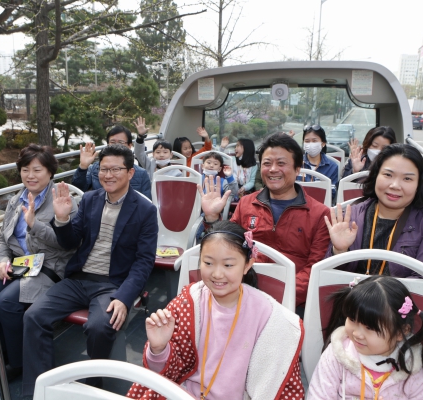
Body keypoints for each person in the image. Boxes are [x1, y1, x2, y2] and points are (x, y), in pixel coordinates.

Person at [21, 145, 158, 396]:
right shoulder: (90, 199)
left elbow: (143, 261)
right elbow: (71, 242)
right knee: (33, 316)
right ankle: (39, 389)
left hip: (113, 283)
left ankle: (93, 388)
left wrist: (124, 298)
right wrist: (62, 220)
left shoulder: (145, 210)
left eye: (116, 169)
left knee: (99, 326)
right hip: (79, 278)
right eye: (103, 169)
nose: (108, 175)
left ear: (130, 173)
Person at [127, 221, 304, 400]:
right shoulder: (189, 303)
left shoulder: (269, 316)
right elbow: (168, 373)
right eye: (208, 263)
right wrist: (159, 349)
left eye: (228, 265)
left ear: (247, 265)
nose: (217, 274)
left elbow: (281, 382)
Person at [0, 144, 77, 380]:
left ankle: (18, 364)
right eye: (25, 169)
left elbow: (66, 244)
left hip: (49, 266)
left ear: (50, 172)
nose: (30, 176)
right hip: (20, 264)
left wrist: (33, 224)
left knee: (7, 302)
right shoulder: (16, 200)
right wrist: (1, 260)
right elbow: (4, 237)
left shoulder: (63, 200)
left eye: (37, 170)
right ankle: (0, 354)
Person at [199, 133, 331, 310]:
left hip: (290, 301)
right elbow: (225, 248)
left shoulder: (319, 214)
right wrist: (212, 218)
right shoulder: (246, 204)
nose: (273, 169)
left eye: (281, 163)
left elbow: (314, 269)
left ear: (298, 168)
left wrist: (281, 296)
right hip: (242, 294)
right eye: (267, 163)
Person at [308, 275, 423, 400]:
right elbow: (318, 395)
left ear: (400, 332)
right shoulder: (338, 354)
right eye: (352, 319)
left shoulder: (412, 368)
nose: (357, 334)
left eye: (369, 328)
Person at [325, 143, 423, 276]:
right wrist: (339, 251)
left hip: (400, 297)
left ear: (419, 184)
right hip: (348, 295)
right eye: (388, 175)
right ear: (375, 175)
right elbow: (326, 277)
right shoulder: (350, 217)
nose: (395, 185)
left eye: (407, 178)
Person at [72, 125, 152, 199]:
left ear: (129, 145)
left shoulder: (141, 174)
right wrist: (83, 166)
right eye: (112, 142)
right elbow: (79, 188)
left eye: (121, 142)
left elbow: (146, 202)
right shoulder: (96, 168)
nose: (116, 146)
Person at [300, 125, 339, 200]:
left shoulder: (332, 167)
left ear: (323, 143)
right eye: (307, 141)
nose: (310, 144)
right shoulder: (296, 163)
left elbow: (331, 194)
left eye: (314, 141)